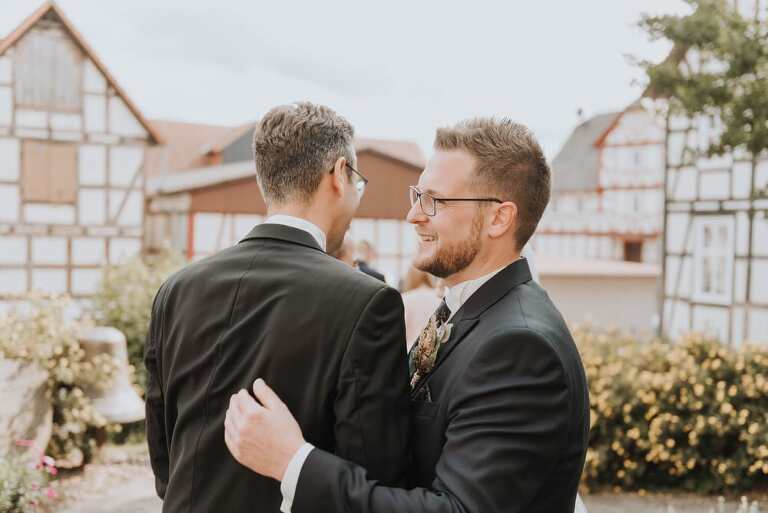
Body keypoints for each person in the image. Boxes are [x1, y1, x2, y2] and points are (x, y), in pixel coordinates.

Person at [224, 117, 591, 513]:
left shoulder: (520, 346)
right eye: (417, 196)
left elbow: (456, 510)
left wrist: (293, 463)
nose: (413, 215)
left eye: (435, 201)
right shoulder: (471, 312)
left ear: (499, 218)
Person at [144, 102, 410, 513]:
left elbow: (164, 460)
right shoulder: (368, 302)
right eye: (358, 182)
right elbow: (376, 473)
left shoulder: (176, 289)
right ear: (339, 175)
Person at [400, 266, 441, 351]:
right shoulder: (439, 298)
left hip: (411, 350)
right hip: (435, 350)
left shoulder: (405, 298)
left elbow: (401, 330)